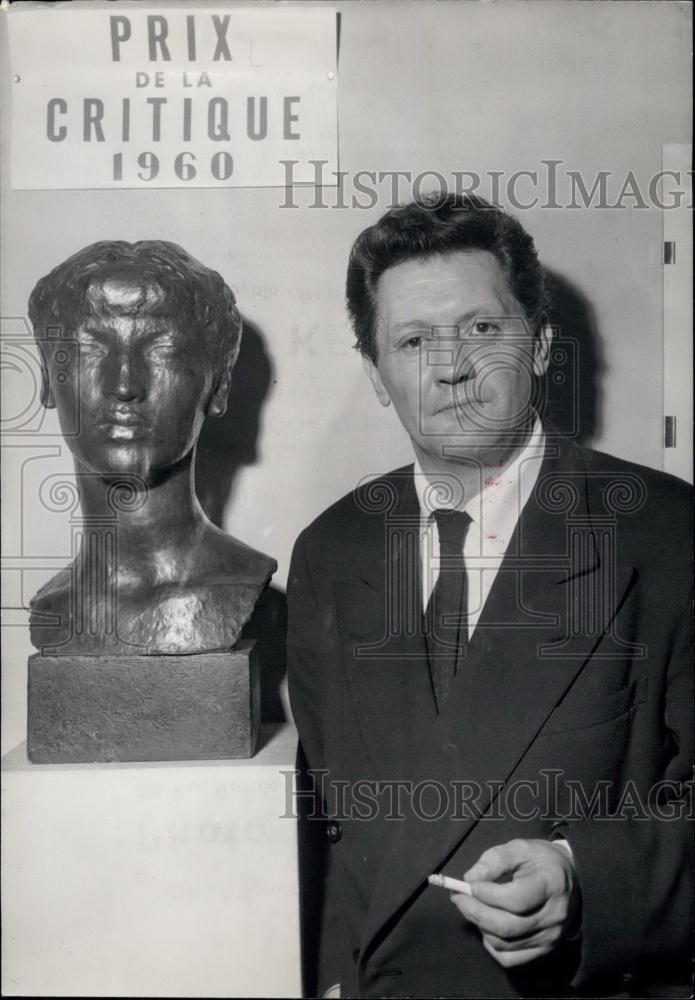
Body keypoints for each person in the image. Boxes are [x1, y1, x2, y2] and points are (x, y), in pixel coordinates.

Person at [287, 194, 693, 999]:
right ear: (376, 373)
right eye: (410, 341)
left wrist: (584, 878)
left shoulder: (666, 533)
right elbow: (330, 826)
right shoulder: (330, 552)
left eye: (480, 328)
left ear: (538, 345)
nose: (449, 365)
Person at [28, 240, 276, 655]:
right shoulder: (55, 609)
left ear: (219, 385)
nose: (124, 385)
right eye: (89, 347)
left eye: (162, 349)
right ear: (45, 377)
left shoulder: (238, 582)